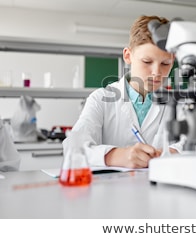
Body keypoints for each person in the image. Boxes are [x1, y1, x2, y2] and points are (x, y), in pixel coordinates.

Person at [62, 15, 183, 168]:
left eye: (166, 63)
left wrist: (172, 152)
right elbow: (73, 148)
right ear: (127, 55)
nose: (156, 72)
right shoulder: (101, 99)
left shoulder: (179, 103)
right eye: (147, 61)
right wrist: (115, 156)